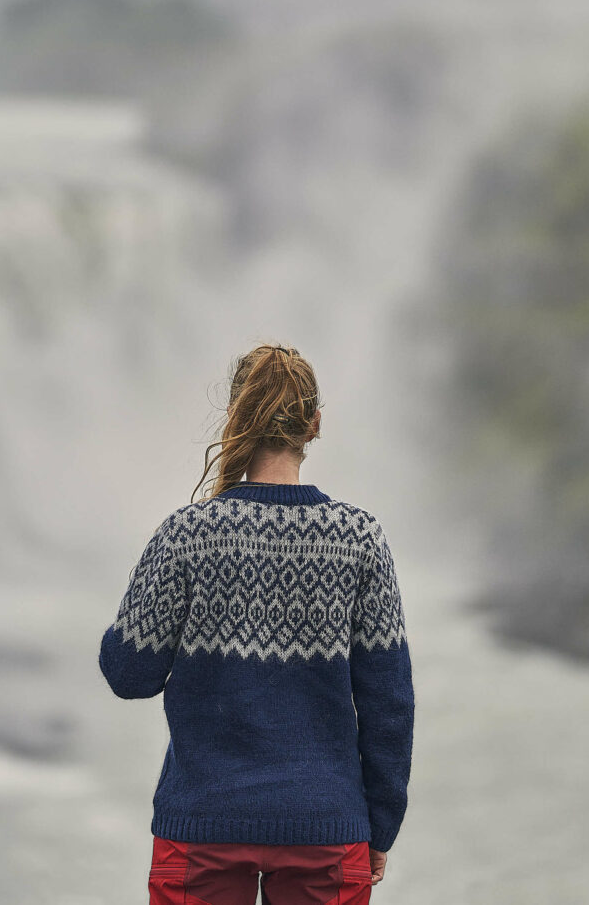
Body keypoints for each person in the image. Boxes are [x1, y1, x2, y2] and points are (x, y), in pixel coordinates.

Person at [99, 343, 415, 905]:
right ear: (314, 424)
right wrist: (380, 826)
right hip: (327, 827)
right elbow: (390, 703)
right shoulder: (360, 539)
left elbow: (130, 674)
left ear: (235, 419)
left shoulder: (187, 535)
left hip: (202, 825)